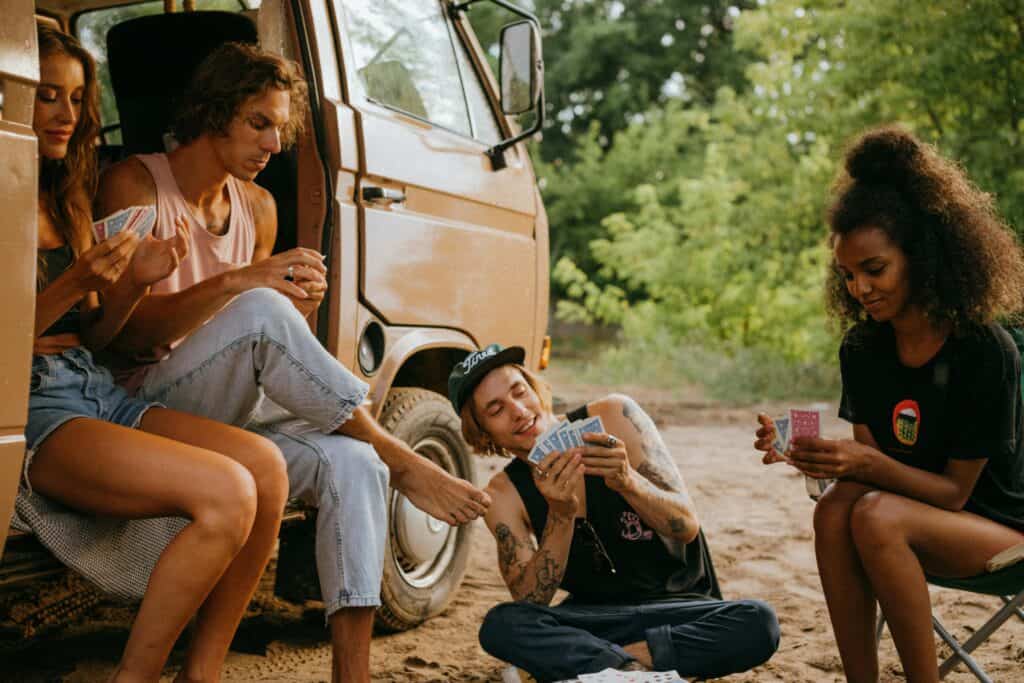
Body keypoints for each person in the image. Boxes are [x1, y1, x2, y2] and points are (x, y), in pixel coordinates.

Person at [94, 42, 490, 683]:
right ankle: (401, 457)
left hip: (228, 411)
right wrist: (243, 285)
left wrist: (295, 305)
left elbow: (255, 347)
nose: (274, 144)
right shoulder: (134, 184)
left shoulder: (258, 208)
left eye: (280, 128)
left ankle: (351, 673)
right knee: (259, 311)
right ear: (213, 112)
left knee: (354, 464)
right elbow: (119, 339)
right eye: (258, 123)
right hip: (143, 405)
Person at [16, 27, 290, 683]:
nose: (66, 113)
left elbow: (98, 339)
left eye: (77, 99)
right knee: (228, 492)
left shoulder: (67, 197)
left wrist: (133, 283)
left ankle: (202, 671)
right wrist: (74, 283)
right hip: (33, 405)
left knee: (267, 469)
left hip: (92, 385)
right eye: (47, 95)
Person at [754, 126, 1024, 683]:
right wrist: (816, 457)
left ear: (922, 257)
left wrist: (864, 464)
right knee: (835, 509)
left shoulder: (983, 350)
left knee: (876, 515)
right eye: (848, 275)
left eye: (874, 270)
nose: (860, 289)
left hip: (1000, 529)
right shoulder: (863, 347)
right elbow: (873, 472)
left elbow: (952, 493)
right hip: (908, 515)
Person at [449, 344, 780, 682]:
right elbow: (530, 600)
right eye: (496, 409)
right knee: (501, 624)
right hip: (596, 619)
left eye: (520, 391)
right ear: (482, 432)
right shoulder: (503, 495)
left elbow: (686, 526)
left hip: (680, 610)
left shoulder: (614, 416)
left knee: (759, 621)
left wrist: (628, 481)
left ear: (535, 389)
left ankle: (610, 666)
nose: (518, 411)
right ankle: (637, 671)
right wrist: (560, 515)